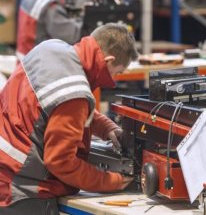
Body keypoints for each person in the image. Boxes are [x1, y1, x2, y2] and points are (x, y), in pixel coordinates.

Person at [0, 23, 138, 214]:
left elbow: (54, 106)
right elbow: (61, 162)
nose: (113, 80)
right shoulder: (75, 94)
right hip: (23, 192)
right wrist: (112, 181)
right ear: (108, 60)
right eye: (116, 72)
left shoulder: (49, 49)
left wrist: (106, 127)